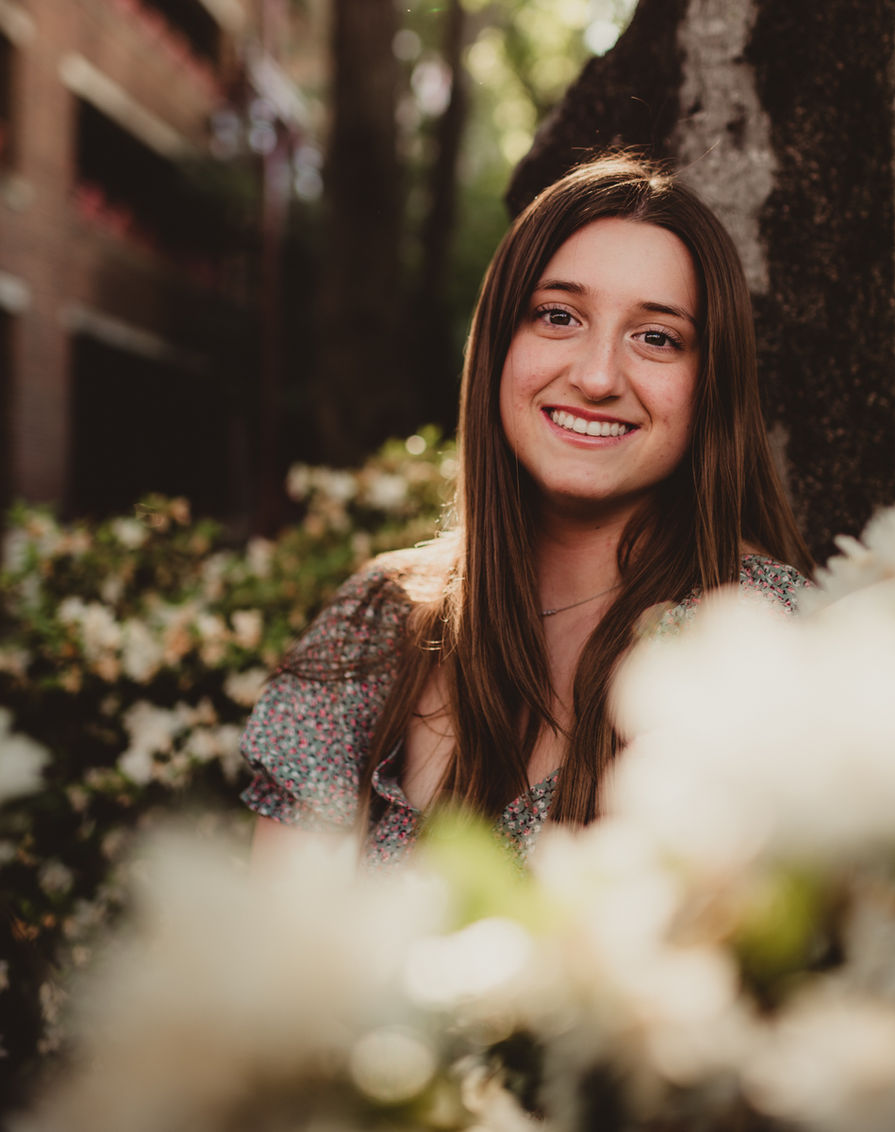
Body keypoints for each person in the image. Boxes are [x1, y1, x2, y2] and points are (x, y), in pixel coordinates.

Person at [242, 154, 812, 865]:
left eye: (656, 337)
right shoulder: (375, 623)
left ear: (710, 387)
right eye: (557, 316)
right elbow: (282, 951)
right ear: (498, 347)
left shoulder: (762, 640)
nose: (597, 376)